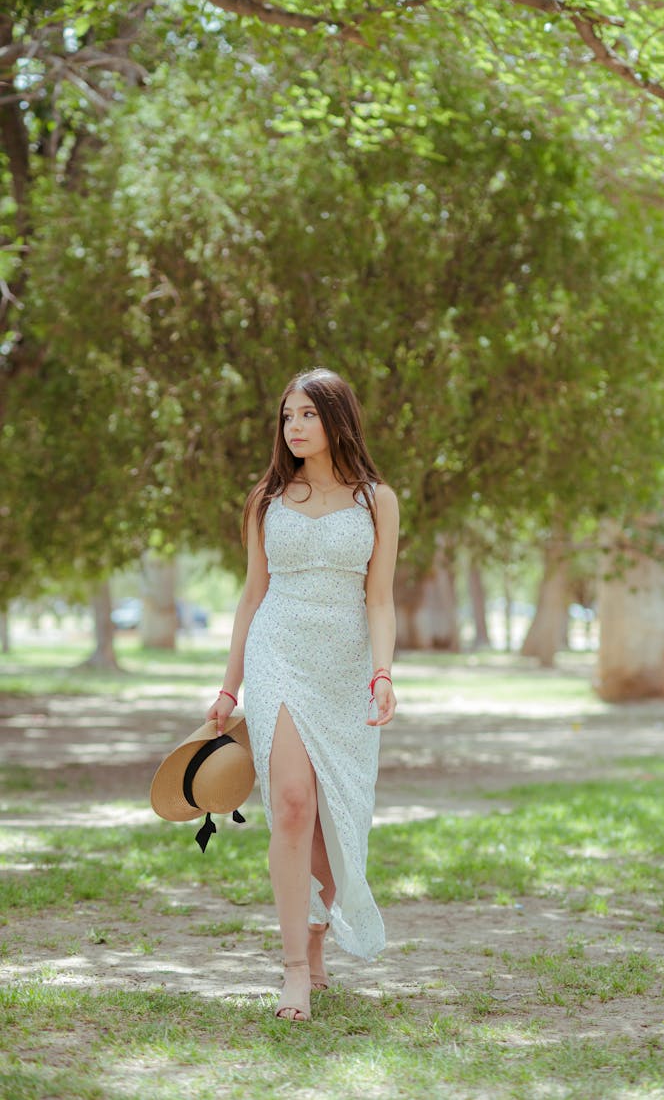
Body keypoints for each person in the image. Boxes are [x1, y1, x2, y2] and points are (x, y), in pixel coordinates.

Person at [206, 367, 399, 1022]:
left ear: (336, 419)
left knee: (333, 814)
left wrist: (383, 672)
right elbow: (251, 594)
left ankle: (317, 936)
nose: (294, 426)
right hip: (278, 649)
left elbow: (379, 598)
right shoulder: (266, 499)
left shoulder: (378, 501)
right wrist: (230, 683)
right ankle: (293, 969)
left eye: (307, 414)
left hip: (345, 663)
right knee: (291, 804)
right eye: (287, 415)